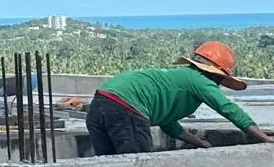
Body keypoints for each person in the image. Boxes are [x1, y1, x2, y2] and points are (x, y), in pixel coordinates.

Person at [86, 42, 274, 155]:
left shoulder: (180, 79)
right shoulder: (199, 80)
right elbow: (229, 109)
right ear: (216, 74)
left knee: (109, 165)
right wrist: (263, 137)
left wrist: (201, 143)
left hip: (99, 102)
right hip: (126, 107)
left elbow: (169, 124)